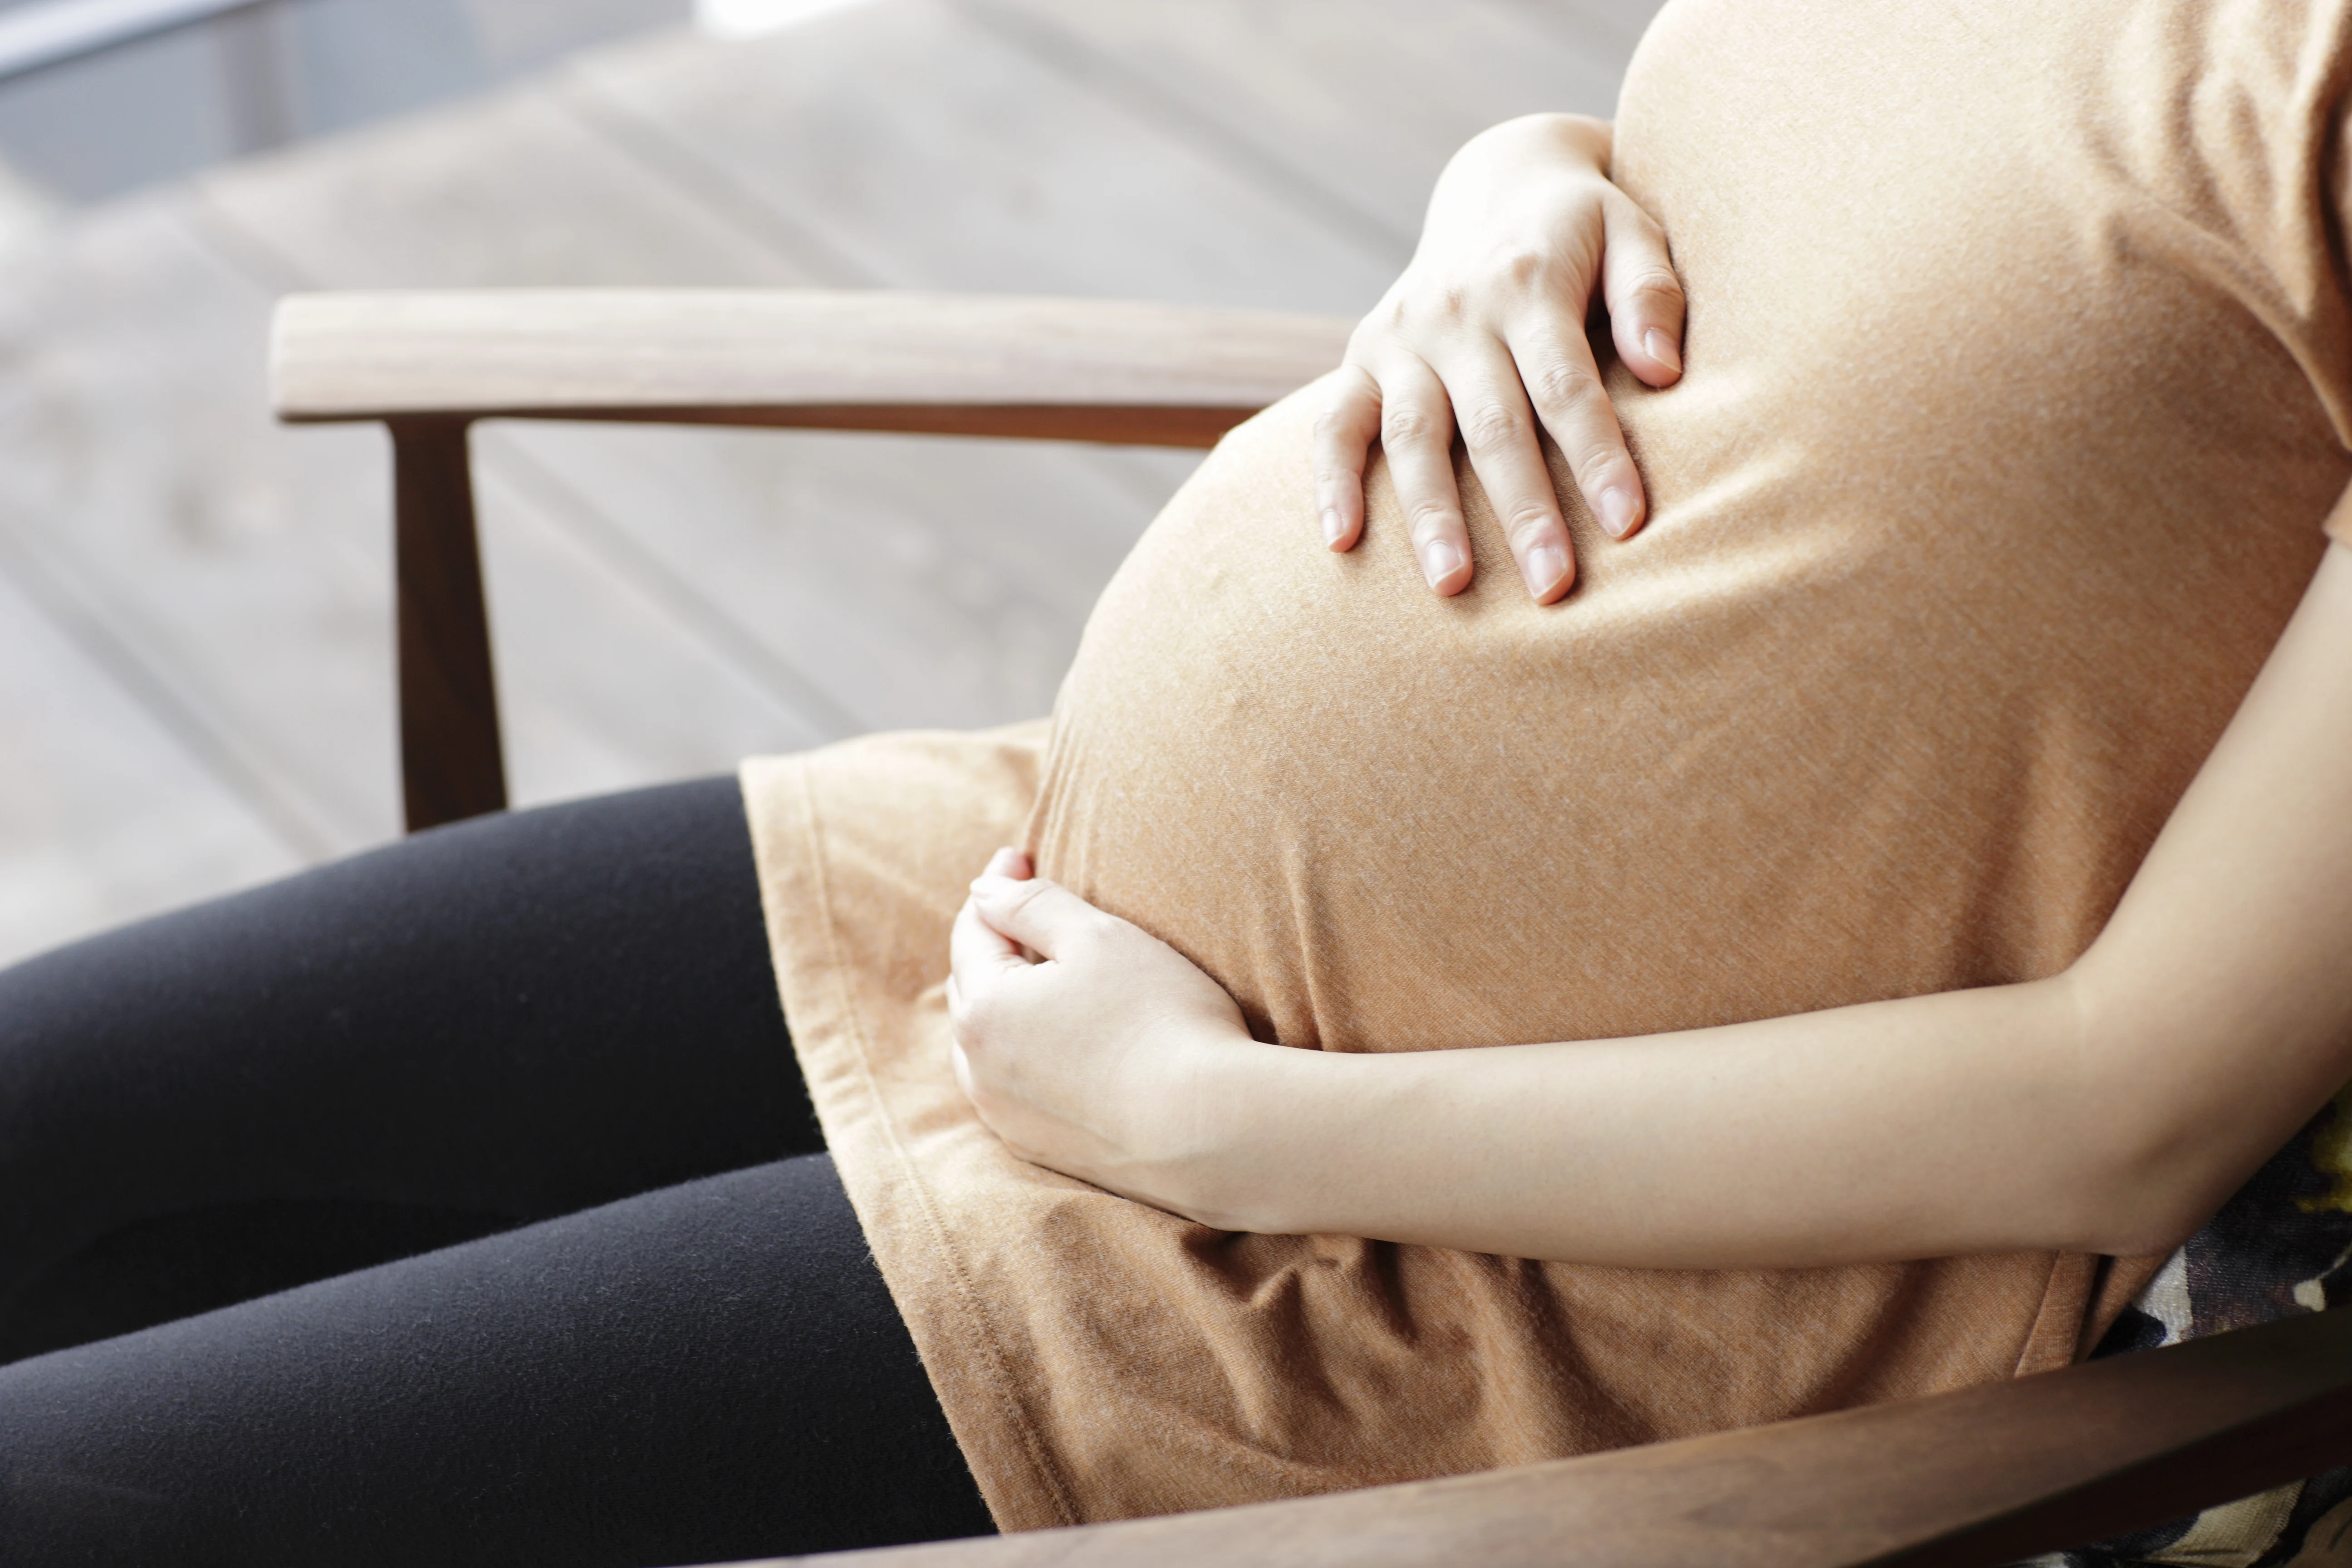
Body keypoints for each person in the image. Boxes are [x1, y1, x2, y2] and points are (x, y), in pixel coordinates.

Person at [7, 4, 2352, 1567]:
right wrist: (1507, 191)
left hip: (1417, 1273)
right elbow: (1898, 237)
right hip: (1015, 877)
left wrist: (1212, 1125)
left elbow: (2117, 1106)